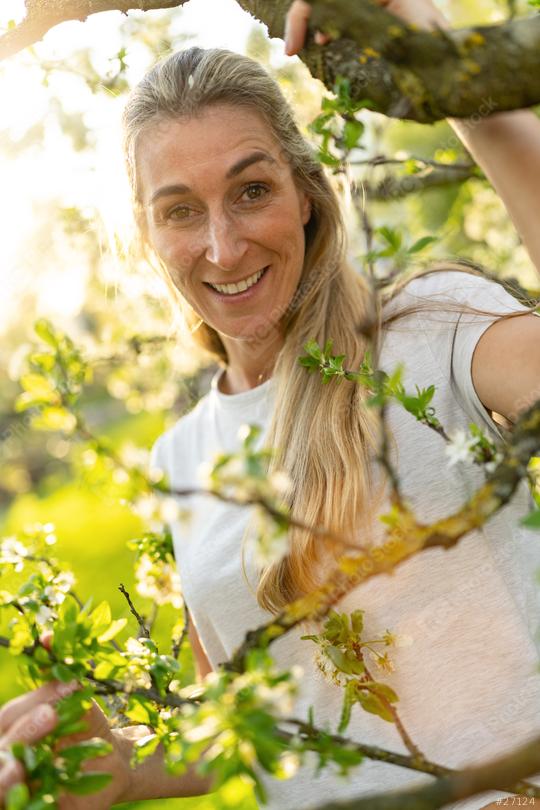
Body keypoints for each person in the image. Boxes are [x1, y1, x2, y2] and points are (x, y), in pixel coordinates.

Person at [1, 1, 540, 808]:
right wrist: (130, 768)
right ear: (148, 237)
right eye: (181, 210)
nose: (222, 246)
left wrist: (453, 71)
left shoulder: (430, 328)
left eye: (251, 190)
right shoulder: (179, 458)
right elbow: (258, 721)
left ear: (307, 194)